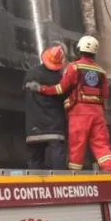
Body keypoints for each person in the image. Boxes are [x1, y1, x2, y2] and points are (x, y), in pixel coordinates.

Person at [25, 35, 111, 171]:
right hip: (98, 113)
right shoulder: (101, 71)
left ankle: (75, 174)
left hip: (79, 112)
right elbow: (105, 94)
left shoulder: (74, 67)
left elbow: (60, 88)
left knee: (77, 145)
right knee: (101, 144)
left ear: (79, 49)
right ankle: (110, 170)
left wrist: (42, 89)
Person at [24, 41, 68, 170]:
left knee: (35, 159)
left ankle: (35, 182)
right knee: (57, 157)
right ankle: (59, 181)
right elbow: (65, 97)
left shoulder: (30, 73)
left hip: (33, 126)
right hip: (54, 127)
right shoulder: (59, 79)